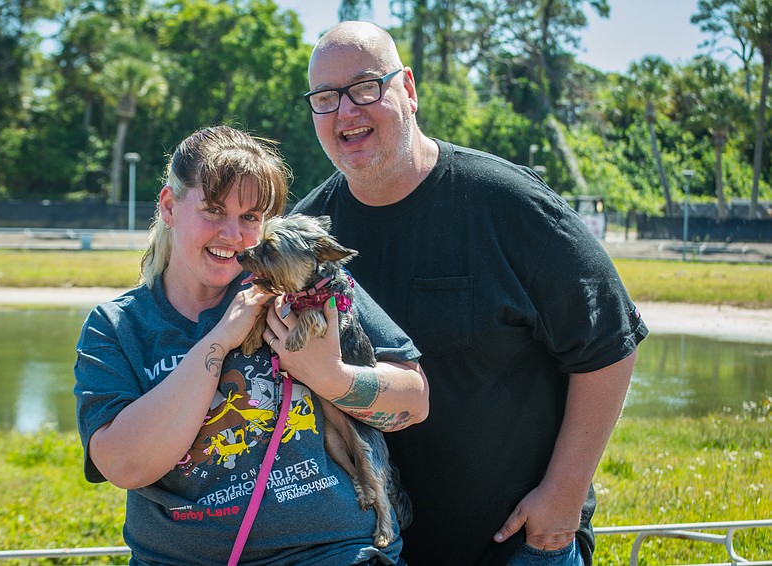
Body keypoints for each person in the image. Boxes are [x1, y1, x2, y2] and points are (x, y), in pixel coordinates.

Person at [292, 22, 649, 566]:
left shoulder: (510, 206)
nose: (346, 111)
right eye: (325, 98)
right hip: (371, 550)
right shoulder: (307, 236)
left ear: (408, 89)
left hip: (520, 545)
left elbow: (608, 344)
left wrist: (564, 496)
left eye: (366, 87)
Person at [73, 125, 429, 566]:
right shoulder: (118, 327)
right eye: (213, 210)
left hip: (334, 552)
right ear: (168, 206)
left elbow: (415, 401)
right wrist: (220, 339)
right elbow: (124, 465)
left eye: (250, 217)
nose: (233, 235)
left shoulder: (304, 286)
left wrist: (331, 376)